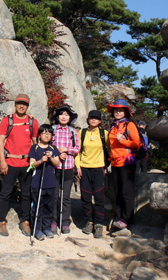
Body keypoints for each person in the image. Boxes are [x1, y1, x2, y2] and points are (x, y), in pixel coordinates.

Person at [0, 94, 39, 237]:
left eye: (24, 104)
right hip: (10, 162)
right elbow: (0, 141)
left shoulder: (32, 122)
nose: (22, 106)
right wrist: (2, 161)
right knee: (5, 193)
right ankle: (1, 220)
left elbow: (34, 143)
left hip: (27, 163)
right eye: (19, 103)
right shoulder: (7, 120)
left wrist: (34, 163)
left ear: (28, 106)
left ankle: (25, 220)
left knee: (27, 194)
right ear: (15, 104)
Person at [75, 110, 110, 238]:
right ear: (88, 119)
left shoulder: (104, 134)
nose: (93, 120)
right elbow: (77, 151)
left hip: (99, 168)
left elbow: (110, 149)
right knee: (85, 196)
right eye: (91, 118)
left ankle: (99, 223)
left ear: (100, 121)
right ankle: (89, 221)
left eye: (96, 118)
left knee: (99, 197)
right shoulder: (82, 133)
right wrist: (78, 166)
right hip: (84, 168)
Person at [107, 99, 140, 231]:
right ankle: (119, 216)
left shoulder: (129, 125)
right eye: (116, 110)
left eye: (121, 110)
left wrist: (124, 141)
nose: (118, 112)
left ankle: (126, 219)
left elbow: (136, 143)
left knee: (126, 192)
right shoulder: (113, 125)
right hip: (115, 163)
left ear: (125, 112)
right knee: (118, 191)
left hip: (126, 163)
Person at [50, 105, 80, 235]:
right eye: (61, 114)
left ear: (70, 118)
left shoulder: (73, 131)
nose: (63, 117)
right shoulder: (52, 129)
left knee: (66, 196)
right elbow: (46, 145)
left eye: (66, 115)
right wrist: (57, 152)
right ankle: (53, 220)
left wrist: (66, 150)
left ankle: (65, 222)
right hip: (54, 167)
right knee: (54, 195)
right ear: (57, 117)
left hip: (68, 167)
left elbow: (77, 148)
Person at [29, 125, 61, 241]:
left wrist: (51, 158)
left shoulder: (53, 148)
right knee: (38, 206)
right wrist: (40, 161)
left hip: (50, 182)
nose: (47, 135)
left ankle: (46, 227)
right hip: (37, 182)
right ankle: (37, 229)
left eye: (49, 133)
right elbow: (31, 165)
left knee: (49, 206)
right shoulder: (35, 148)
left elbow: (57, 164)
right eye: (44, 133)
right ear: (39, 135)